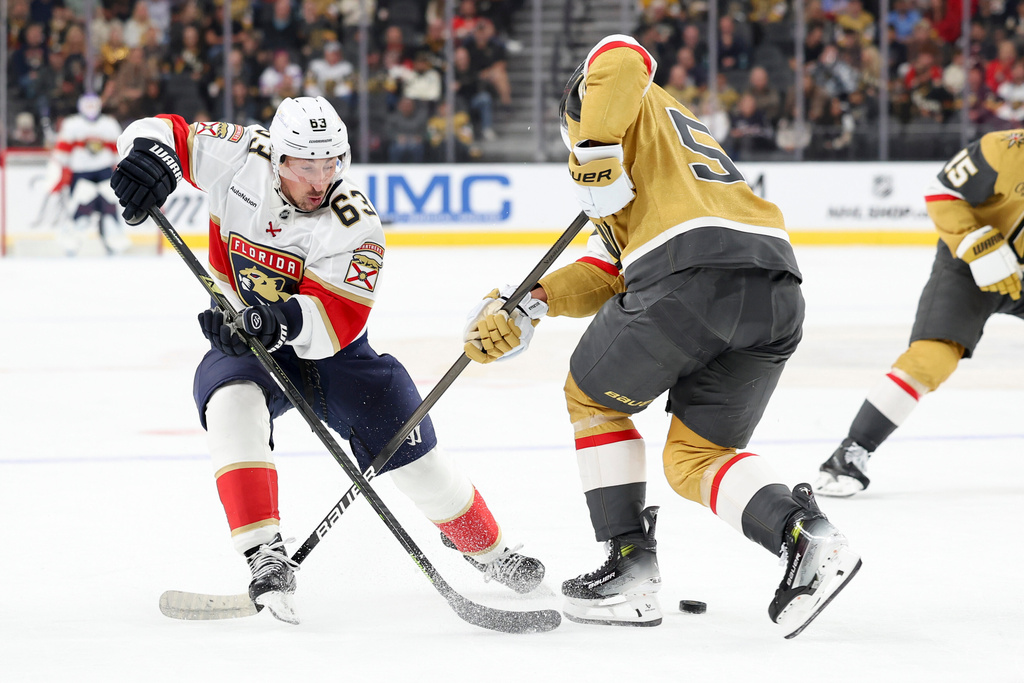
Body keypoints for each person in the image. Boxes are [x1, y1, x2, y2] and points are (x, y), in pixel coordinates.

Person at [461, 35, 862, 636]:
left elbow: (620, 52)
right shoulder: (663, 148)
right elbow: (612, 268)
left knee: (590, 398)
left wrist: (591, 147)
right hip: (774, 291)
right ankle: (806, 536)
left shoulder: (604, 103)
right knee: (695, 459)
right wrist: (531, 302)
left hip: (691, 277)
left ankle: (629, 568)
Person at [109, 95, 545, 624]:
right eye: (306, 166)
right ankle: (265, 556)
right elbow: (158, 130)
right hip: (247, 344)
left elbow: (339, 319)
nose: (320, 180)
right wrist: (146, 158)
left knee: (418, 462)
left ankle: (489, 552)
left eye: (330, 164)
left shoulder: (355, 222)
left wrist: (276, 320)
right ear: (278, 159)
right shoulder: (239, 155)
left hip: (333, 355)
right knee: (229, 402)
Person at [815, 129, 1024, 497]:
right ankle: (851, 452)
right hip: (971, 264)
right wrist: (978, 246)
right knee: (932, 357)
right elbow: (944, 192)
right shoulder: (1006, 149)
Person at [44, 93, 129, 256]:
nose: (90, 109)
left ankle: (114, 244)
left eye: (93, 105)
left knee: (109, 209)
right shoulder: (72, 124)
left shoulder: (109, 124)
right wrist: (56, 175)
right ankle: (72, 244)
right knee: (81, 209)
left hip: (105, 172)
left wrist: (123, 170)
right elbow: (61, 154)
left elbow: (118, 151)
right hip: (81, 173)